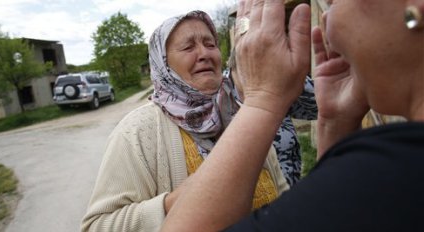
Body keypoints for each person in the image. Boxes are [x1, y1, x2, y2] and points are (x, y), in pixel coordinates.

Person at [161, 0, 424, 231]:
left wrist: (262, 99)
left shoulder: (393, 174)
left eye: (335, 2)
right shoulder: (144, 127)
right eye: (187, 48)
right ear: (162, 63)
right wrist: (336, 125)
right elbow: (334, 207)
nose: (327, 21)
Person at [80, 10, 289, 232]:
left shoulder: (241, 115)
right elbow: (97, 226)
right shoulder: (138, 130)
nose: (204, 54)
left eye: (210, 44)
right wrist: (175, 202)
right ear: (163, 64)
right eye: (189, 47)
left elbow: (283, 195)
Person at [227, 48, 317, 186]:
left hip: (290, 193)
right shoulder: (218, 100)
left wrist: (291, 73)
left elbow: (318, 107)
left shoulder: (274, 89)